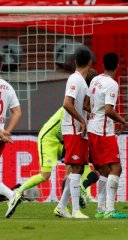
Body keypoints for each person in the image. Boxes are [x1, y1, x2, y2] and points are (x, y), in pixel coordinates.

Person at [12, 69, 100, 217]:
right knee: (46, 175)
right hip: (48, 138)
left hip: (63, 140)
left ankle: (73, 200)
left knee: (78, 165)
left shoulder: (81, 104)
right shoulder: (73, 106)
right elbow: (70, 112)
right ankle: (18, 191)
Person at [84, 52, 128, 219]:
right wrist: (122, 121)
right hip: (103, 132)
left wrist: (96, 114)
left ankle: (101, 209)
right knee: (116, 168)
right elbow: (109, 110)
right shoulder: (112, 84)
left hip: (92, 129)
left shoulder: (95, 79)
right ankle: (109, 209)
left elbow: (86, 104)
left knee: (104, 170)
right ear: (117, 66)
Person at [54, 48, 92, 219]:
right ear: (89, 63)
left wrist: (90, 112)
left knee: (78, 168)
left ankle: (62, 207)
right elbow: (67, 104)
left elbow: (77, 104)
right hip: (73, 129)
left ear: (75, 61)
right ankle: (76, 210)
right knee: (76, 168)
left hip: (78, 130)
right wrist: (82, 120)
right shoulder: (75, 79)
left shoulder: (82, 82)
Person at [0, 54, 22, 218]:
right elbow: (17, 112)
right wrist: (7, 131)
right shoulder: (7, 87)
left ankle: (11, 195)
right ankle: (10, 195)